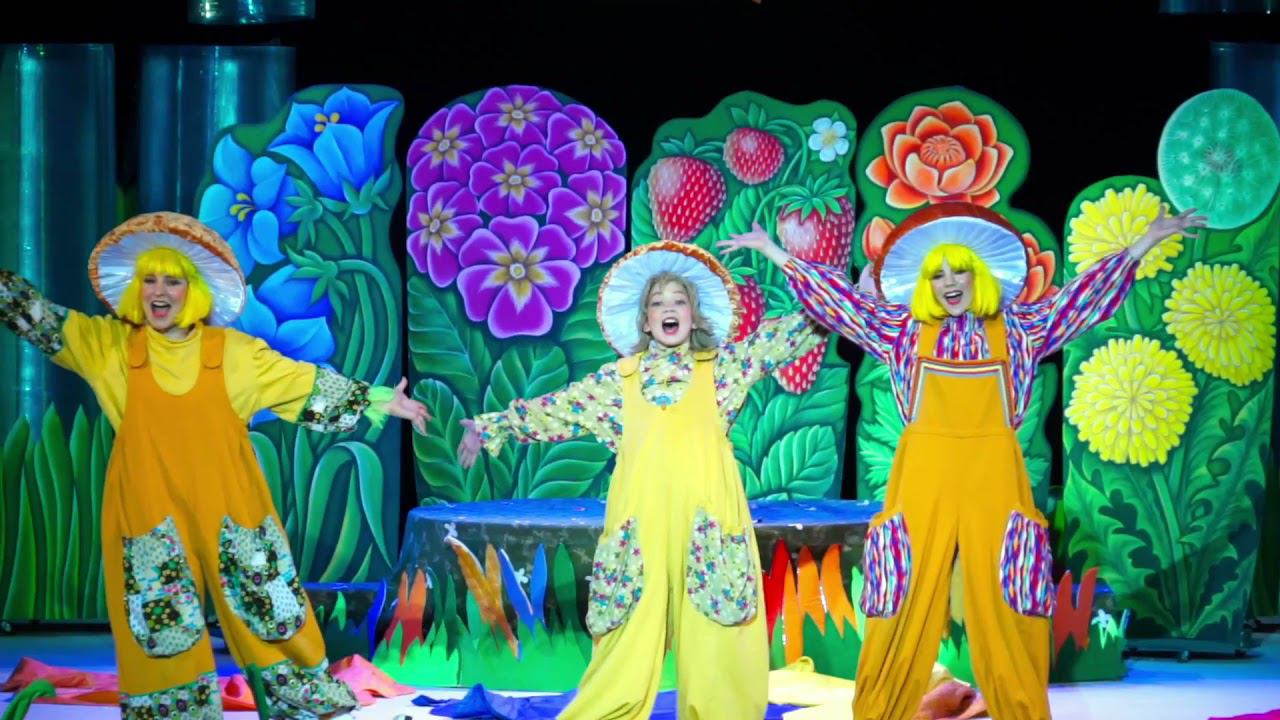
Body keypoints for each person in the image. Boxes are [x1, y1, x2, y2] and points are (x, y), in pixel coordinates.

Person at [718, 202, 1205, 720]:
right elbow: (840, 304)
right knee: (901, 589)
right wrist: (773, 251)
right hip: (923, 472)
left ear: (981, 276)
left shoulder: (1020, 330)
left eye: (960, 271)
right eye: (938, 274)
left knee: (1010, 593)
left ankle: (1021, 710)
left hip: (995, 473)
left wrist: (1144, 242)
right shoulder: (903, 330)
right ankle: (882, 711)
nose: (950, 283)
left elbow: (1083, 301)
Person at [0, 211, 429, 719]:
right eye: (150, 280)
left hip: (230, 501)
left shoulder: (233, 353)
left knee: (264, 600)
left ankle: (300, 698)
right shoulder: (111, 348)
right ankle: (174, 710)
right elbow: (42, 320)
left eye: (173, 281)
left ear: (195, 291)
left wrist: (379, 400)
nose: (159, 292)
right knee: (160, 616)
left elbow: (300, 383)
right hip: (148, 504)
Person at [457, 240, 826, 720]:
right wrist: (490, 426)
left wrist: (839, 295)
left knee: (717, 626)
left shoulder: (722, 371)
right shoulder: (619, 382)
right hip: (641, 525)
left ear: (693, 316)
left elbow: (790, 335)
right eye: (657, 303)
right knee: (626, 626)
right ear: (646, 321)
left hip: (706, 523)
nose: (668, 309)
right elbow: (557, 408)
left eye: (679, 301)